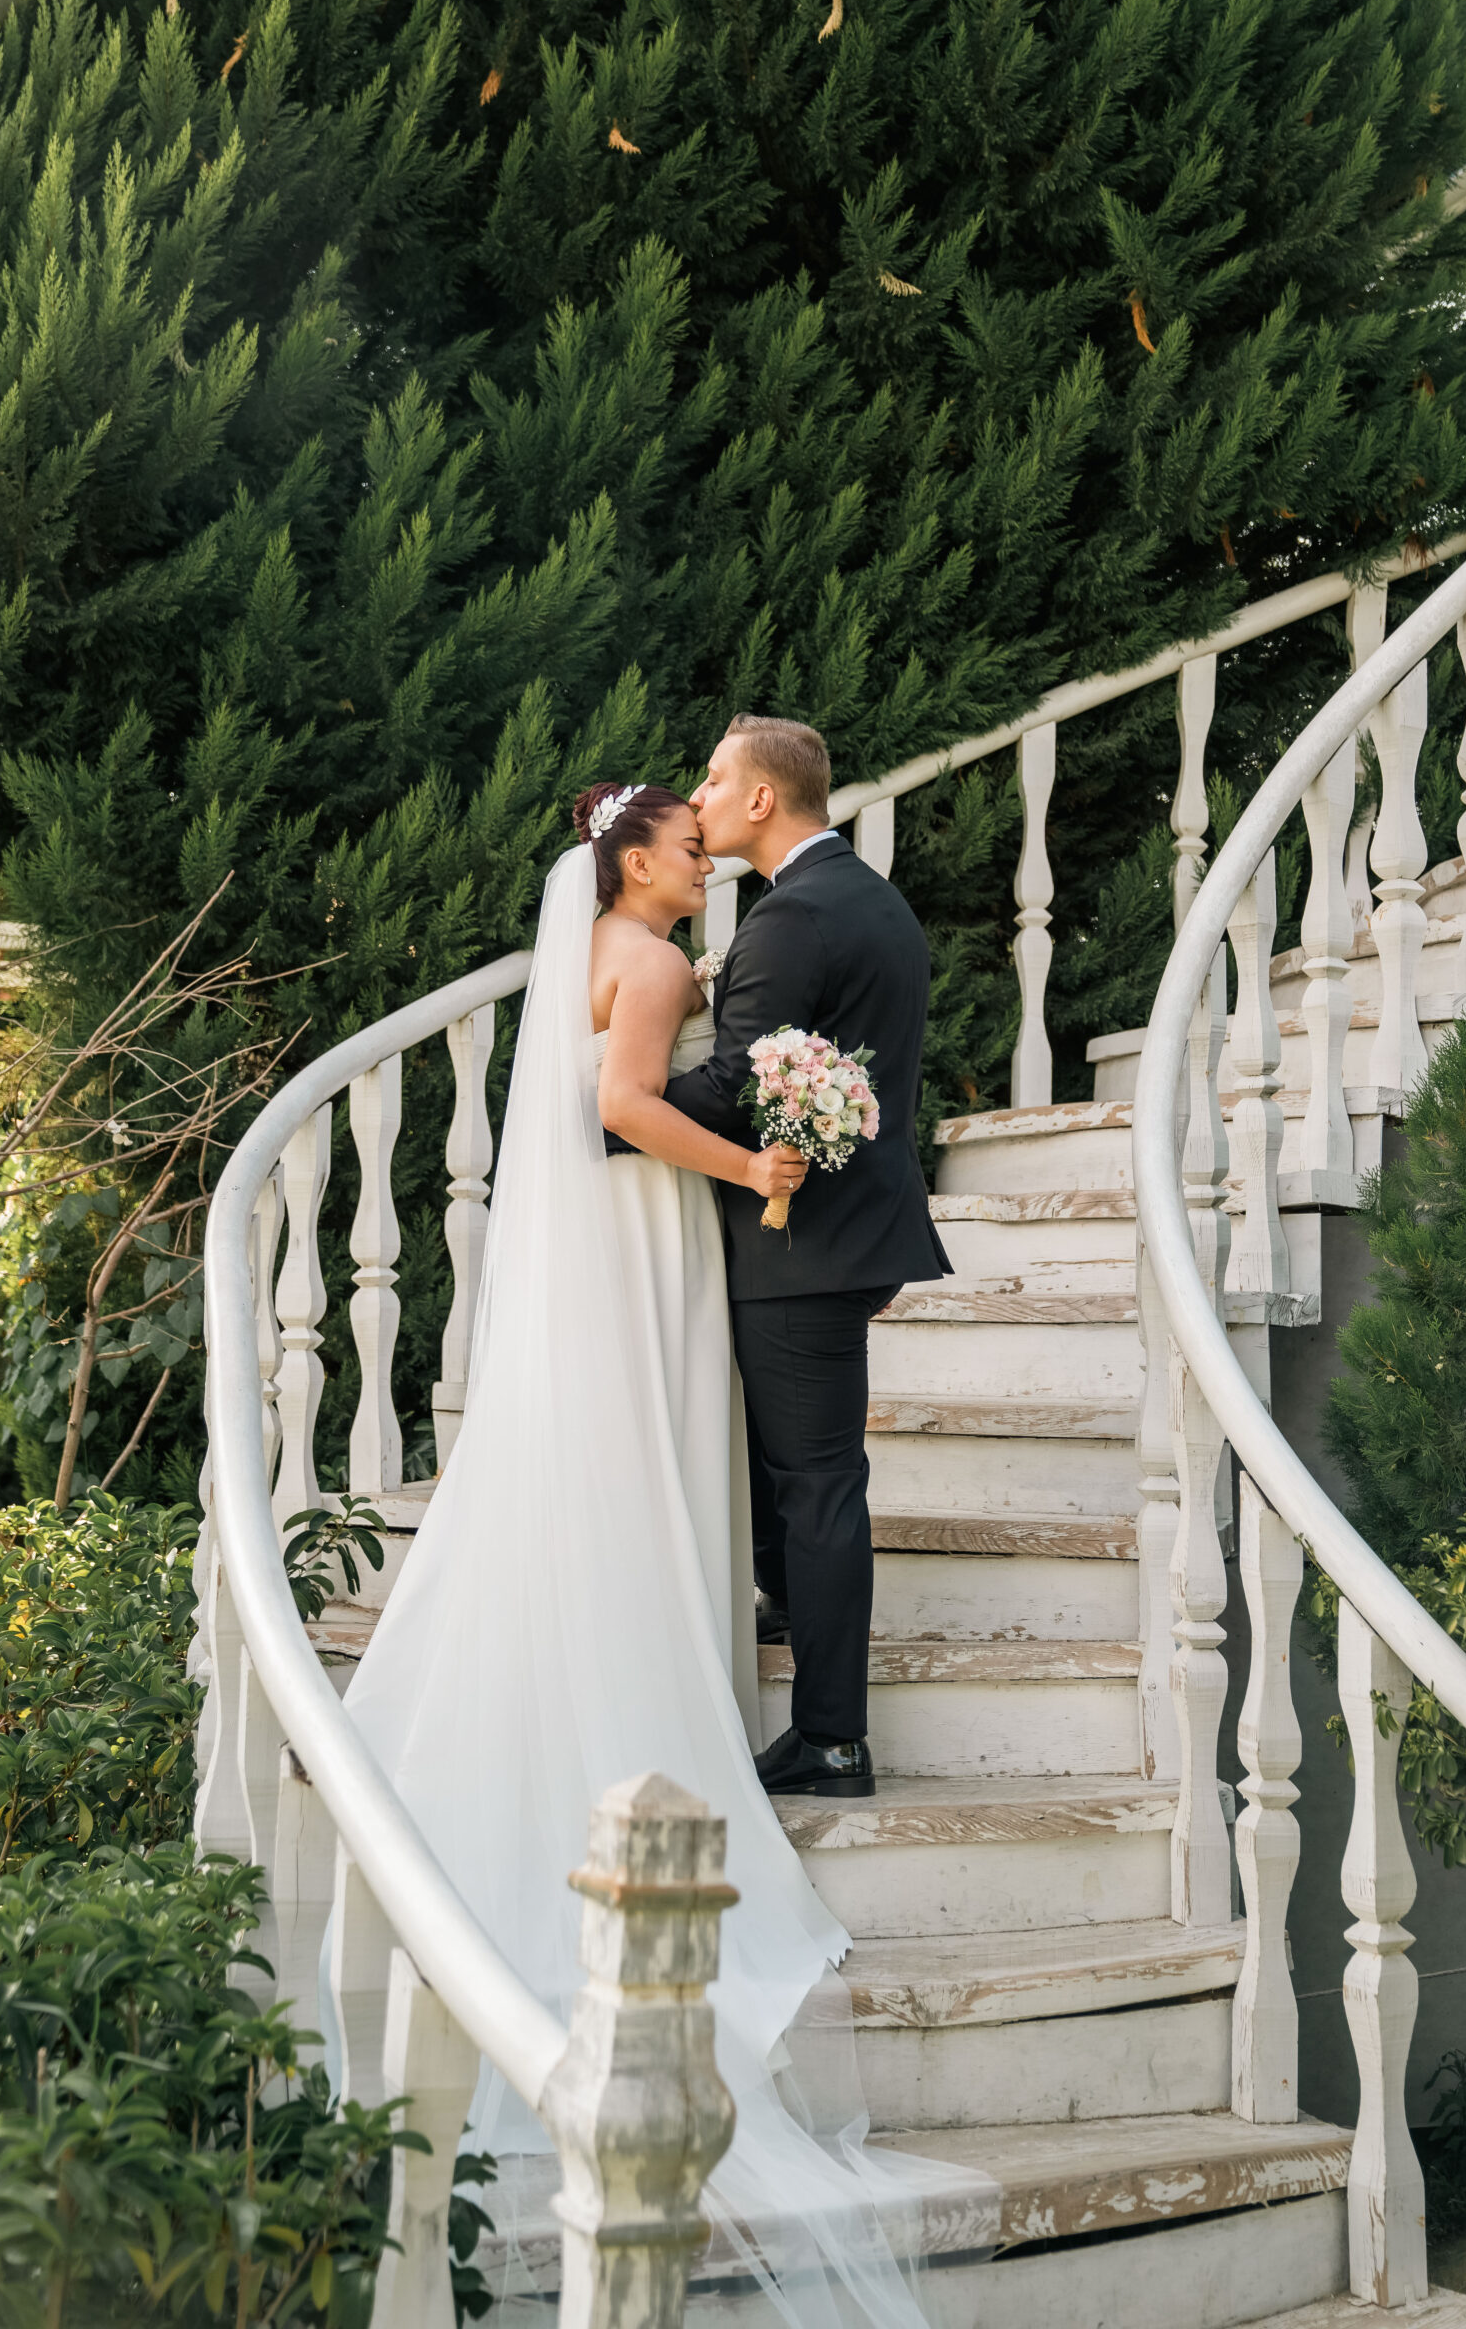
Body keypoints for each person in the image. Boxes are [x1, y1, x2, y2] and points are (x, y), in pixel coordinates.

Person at [338, 780, 990, 2323]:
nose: (704, 862)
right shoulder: (645, 963)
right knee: (658, 1448)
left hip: (622, 1240)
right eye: (686, 849)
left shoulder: (612, 953)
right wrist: (754, 1168)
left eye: (708, 841)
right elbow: (624, 1109)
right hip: (645, 1234)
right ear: (632, 861)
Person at [665, 716, 950, 1802]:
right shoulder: (870, 897)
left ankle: (831, 1739)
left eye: (713, 778)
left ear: (759, 800)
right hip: (854, 1231)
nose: (697, 796)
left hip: (805, 1245)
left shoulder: (790, 917)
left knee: (819, 1484)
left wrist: (612, 1110)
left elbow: (735, 1081)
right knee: (789, 1468)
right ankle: (788, 1601)